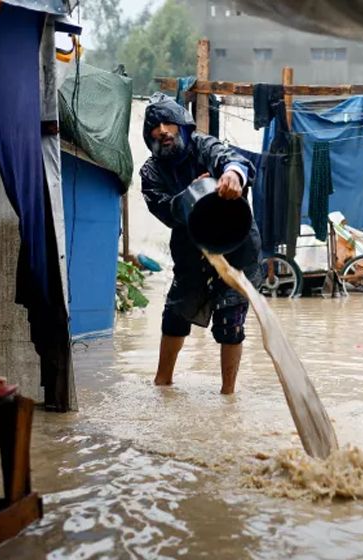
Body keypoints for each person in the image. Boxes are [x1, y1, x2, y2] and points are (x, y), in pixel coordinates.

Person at [140, 92, 261, 394]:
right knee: (175, 315)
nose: (163, 131)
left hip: (235, 245)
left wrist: (233, 174)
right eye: (156, 128)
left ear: (182, 126)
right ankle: (162, 384)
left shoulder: (204, 146)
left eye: (169, 122)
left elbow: (232, 159)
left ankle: (228, 395)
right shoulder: (151, 172)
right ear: (149, 137)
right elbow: (165, 210)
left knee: (231, 324)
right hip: (190, 248)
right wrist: (192, 193)